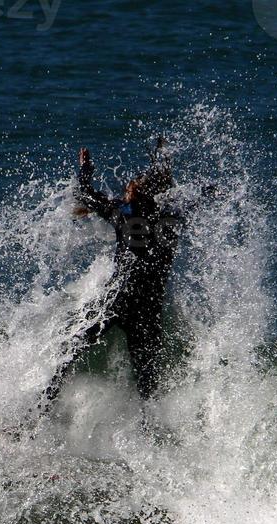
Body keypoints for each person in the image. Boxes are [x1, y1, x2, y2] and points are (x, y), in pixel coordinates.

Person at [44, 138, 186, 403]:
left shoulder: (124, 213)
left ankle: (36, 417)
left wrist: (85, 170)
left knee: (68, 347)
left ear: (134, 194)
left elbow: (84, 194)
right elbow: (200, 198)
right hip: (148, 311)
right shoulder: (174, 218)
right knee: (148, 388)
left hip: (116, 301)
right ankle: (154, 437)